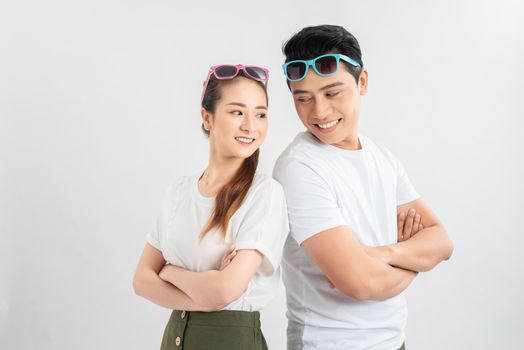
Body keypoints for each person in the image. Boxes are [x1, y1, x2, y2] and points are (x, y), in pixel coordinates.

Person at [273, 25, 454, 350]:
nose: (319, 112)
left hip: (393, 341)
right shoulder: (299, 168)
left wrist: (382, 254)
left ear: (363, 82)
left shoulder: (381, 158)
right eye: (303, 98)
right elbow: (359, 282)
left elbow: (441, 241)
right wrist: (416, 261)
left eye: (332, 93)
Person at [133, 64, 289, 350]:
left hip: (230, 340)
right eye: (237, 112)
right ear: (207, 117)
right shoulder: (179, 192)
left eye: (261, 114)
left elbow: (225, 290)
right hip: (174, 338)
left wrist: (169, 272)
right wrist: (206, 291)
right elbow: (142, 281)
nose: (251, 126)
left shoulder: (264, 194)